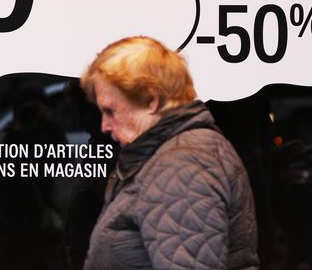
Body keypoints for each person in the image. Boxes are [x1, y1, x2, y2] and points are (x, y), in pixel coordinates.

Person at [80, 36, 259, 270]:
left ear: (151, 100)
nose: (104, 126)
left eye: (110, 111)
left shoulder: (182, 166)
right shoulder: (172, 156)